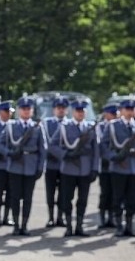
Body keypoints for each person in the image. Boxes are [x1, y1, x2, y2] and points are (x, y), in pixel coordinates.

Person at [0, 97, 46, 236]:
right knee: (15, 197)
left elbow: (43, 149)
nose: (26, 111)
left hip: (31, 166)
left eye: (28, 109)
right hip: (15, 166)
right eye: (23, 109)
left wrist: (41, 167)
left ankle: (25, 225)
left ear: (32, 111)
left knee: (28, 198)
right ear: (18, 111)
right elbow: (0, 145)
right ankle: (16, 225)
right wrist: (9, 153)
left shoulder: (37, 127)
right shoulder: (11, 126)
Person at [50, 101, 99, 236]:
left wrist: (95, 169)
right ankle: (69, 226)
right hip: (69, 169)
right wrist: (66, 154)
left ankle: (79, 226)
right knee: (67, 199)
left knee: (82, 200)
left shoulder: (90, 128)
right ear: (73, 112)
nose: (80, 113)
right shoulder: (64, 127)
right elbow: (52, 146)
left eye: (82, 111)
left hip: (85, 169)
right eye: (78, 111)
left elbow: (96, 151)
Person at [104, 100, 135, 238]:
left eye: (131, 109)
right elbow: (104, 145)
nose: (129, 111)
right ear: (121, 111)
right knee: (118, 198)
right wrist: (114, 157)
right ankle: (119, 226)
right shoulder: (113, 126)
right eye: (126, 109)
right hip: (118, 168)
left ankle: (129, 226)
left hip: (134, 167)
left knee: (132, 199)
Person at [43, 97, 68, 227]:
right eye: (58, 108)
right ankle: (51, 217)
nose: (61, 110)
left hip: (65, 164)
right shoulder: (47, 123)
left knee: (63, 193)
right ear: (54, 110)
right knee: (50, 193)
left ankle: (60, 217)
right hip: (51, 163)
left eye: (63, 108)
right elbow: (45, 143)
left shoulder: (69, 124)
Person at [96, 104, 118, 228]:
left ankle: (112, 217)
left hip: (116, 164)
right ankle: (102, 218)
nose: (114, 116)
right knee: (105, 193)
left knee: (115, 193)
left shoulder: (117, 125)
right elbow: (100, 145)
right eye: (111, 114)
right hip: (104, 165)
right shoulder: (100, 126)